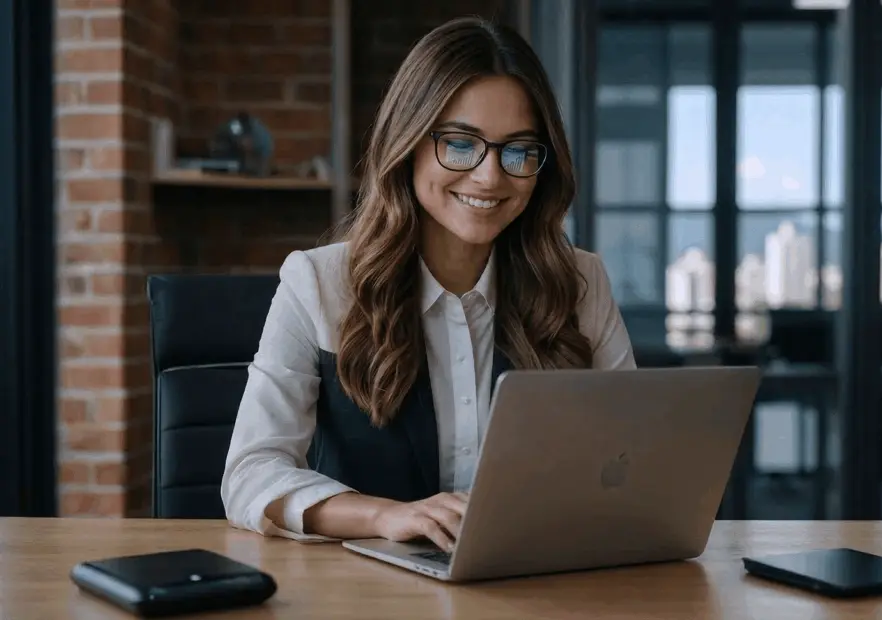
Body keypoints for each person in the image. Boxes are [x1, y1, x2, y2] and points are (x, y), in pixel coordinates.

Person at [221, 16, 636, 551]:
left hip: (534, 580)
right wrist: (383, 516)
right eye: (460, 144)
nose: (490, 176)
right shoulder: (318, 282)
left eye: (518, 150)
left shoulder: (580, 281)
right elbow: (250, 474)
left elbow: (631, 457)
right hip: (364, 592)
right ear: (409, 142)